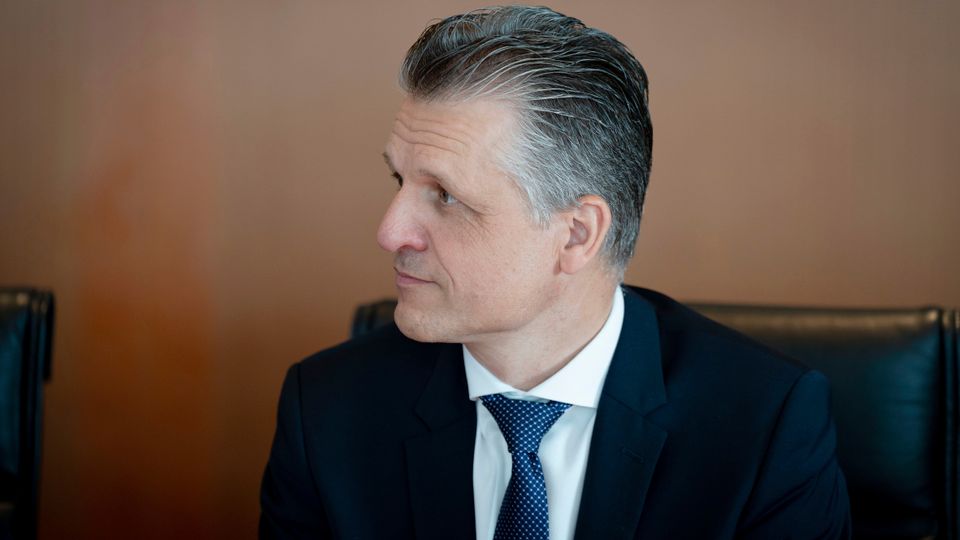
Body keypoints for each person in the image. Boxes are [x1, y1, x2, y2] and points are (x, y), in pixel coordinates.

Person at [259, 6, 851, 539]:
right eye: (400, 180)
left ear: (576, 235)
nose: (390, 232)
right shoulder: (328, 411)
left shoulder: (766, 424)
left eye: (444, 195)